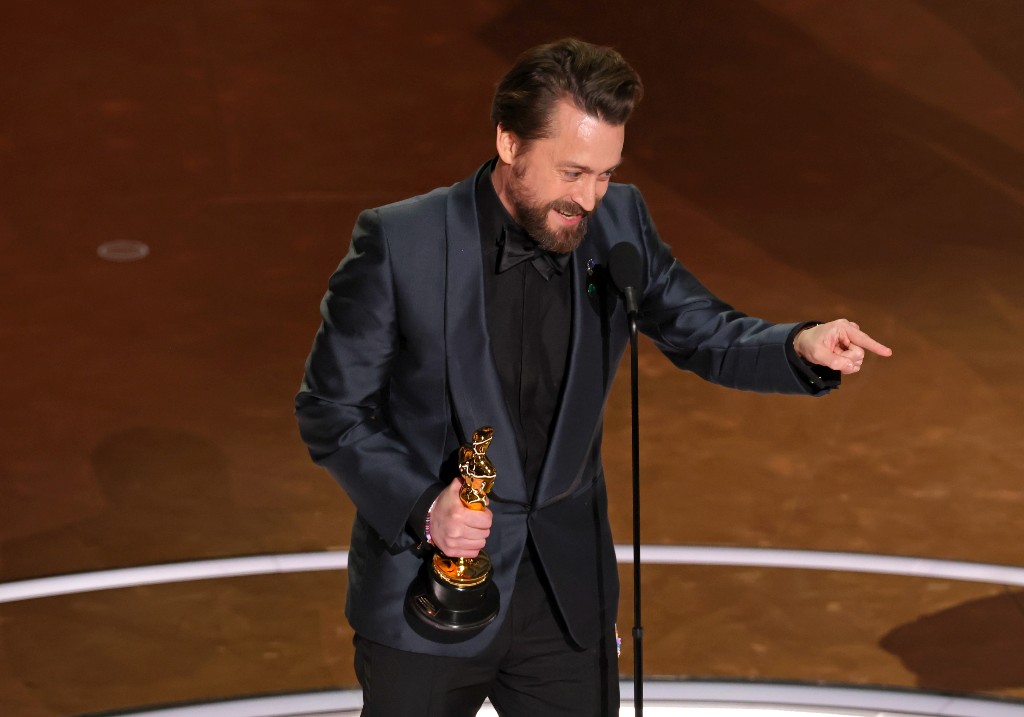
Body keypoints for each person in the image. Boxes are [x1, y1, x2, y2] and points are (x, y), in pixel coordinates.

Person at [295, 37, 891, 717]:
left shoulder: (619, 221)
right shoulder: (403, 242)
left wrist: (799, 345)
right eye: (573, 172)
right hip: (425, 597)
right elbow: (332, 409)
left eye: (606, 173)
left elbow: (704, 331)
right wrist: (425, 508)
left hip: (564, 600)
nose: (589, 197)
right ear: (510, 142)